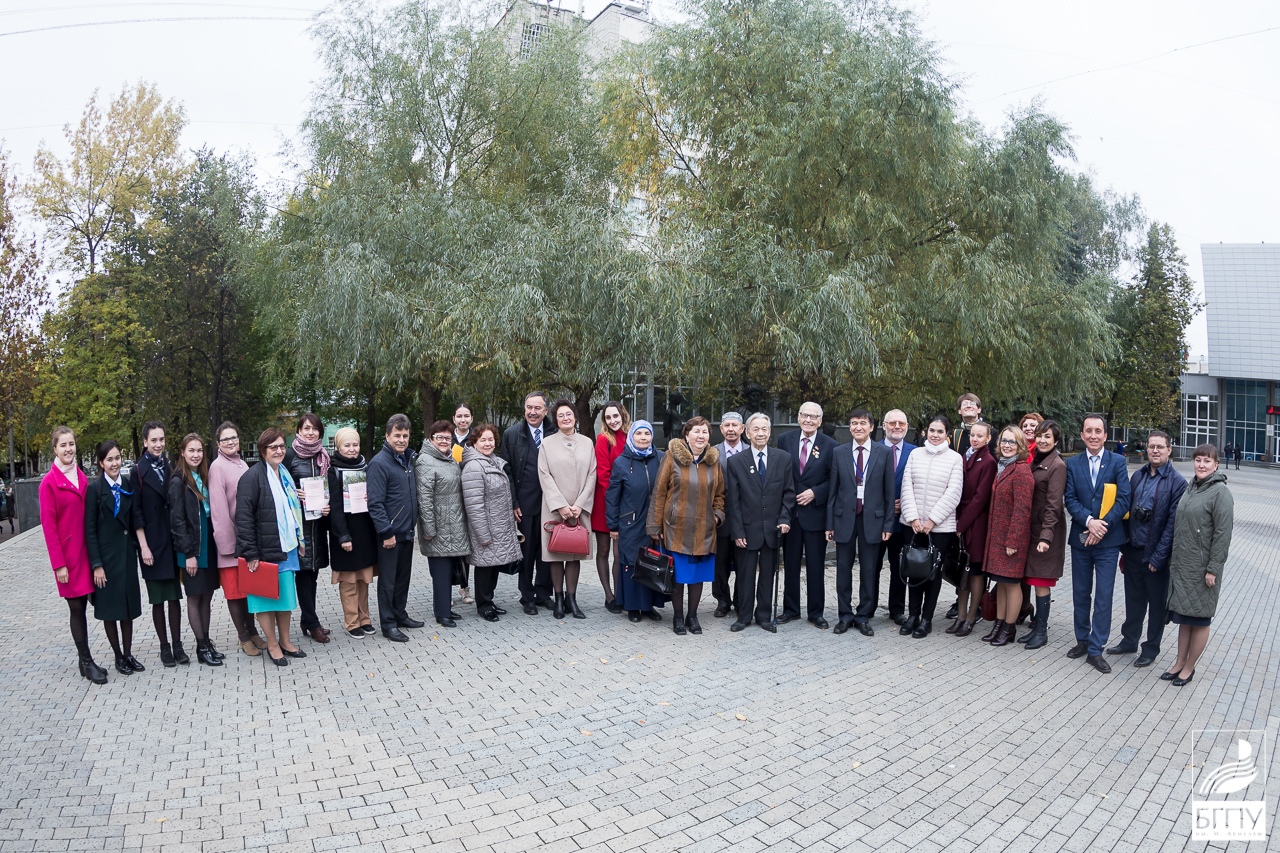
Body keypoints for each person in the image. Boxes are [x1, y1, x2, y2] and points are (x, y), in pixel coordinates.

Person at [1107, 430, 1187, 667]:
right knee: (1133, 600)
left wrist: (1158, 557)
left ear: (1169, 450)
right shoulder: (1138, 476)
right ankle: (1129, 640)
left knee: (1156, 607)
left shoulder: (1177, 483)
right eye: (1151, 446)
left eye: (1160, 447)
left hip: (1156, 556)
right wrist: (1124, 547)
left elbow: (1172, 525)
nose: (1155, 450)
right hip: (1133, 550)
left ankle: (1151, 649)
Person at [1063, 414, 1131, 674]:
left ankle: (1095, 648)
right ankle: (1082, 639)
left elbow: (1124, 499)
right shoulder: (1073, 464)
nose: (1093, 435)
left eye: (1098, 431)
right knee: (1081, 593)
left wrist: (1101, 526)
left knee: (1104, 595)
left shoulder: (1117, 462)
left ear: (1105, 435)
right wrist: (1090, 521)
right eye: (1088, 431)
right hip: (1081, 537)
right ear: (1082, 435)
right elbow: (1070, 499)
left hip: (1108, 541)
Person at [1163, 444, 1234, 686]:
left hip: (1204, 570)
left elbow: (1223, 534)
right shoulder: (1192, 487)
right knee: (1185, 617)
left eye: (1207, 461)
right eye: (1198, 460)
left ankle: (1189, 667)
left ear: (1216, 465)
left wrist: (1213, 568)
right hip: (1184, 566)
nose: (1201, 465)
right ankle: (1178, 663)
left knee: (1200, 618)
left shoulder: (1220, 493)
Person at [647, 416, 725, 636]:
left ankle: (693, 616)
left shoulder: (713, 461)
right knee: (680, 576)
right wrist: (655, 526)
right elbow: (659, 492)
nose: (701, 436)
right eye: (696, 431)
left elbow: (720, 494)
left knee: (697, 576)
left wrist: (717, 516)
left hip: (704, 530)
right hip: (676, 528)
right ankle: (678, 617)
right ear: (687, 434)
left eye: (705, 432)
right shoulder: (671, 457)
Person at [235, 428, 307, 666]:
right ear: (262, 450)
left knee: (285, 598)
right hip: (263, 551)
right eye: (273, 447)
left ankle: (286, 641)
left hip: (286, 547)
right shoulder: (251, 477)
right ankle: (273, 644)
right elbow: (243, 518)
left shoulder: (284, 474)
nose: (278, 450)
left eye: (281, 446)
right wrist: (251, 553)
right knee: (265, 600)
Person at [41, 426, 104, 683]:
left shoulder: (81, 477)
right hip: (68, 558)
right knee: (76, 608)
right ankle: (87, 661)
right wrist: (59, 564)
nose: (68, 449)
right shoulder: (49, 483)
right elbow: (49, 527)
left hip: (87, 553)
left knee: (86, 605)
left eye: (71, 444)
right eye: (63, 445)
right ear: (55, 449)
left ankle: (83, 660)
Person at [826, 409, 895, 637]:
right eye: (854, 423)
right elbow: (833, 491)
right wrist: (829, 524)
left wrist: (888, 524)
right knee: (843, 570)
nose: (858, 427)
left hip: (872, 520)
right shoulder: (839, 452)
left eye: (863, 423)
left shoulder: (884, 453)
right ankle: (844, 616)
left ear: (872, 427)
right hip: (844, 519)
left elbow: (889, 492)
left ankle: (863, 616)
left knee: (869, 570)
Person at [725, 413, 796, 632]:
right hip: (747, 529)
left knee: (767, 575)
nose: (760, 433)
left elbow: (789, 493)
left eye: (764, 429)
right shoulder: (736, 461)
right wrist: (737, 531)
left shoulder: (783, 458)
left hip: (773, 529)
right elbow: (733, 500)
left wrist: (784, 518)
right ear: (747, 432)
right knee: (745, 576)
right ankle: (744, 616)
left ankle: (764, 615)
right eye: (755, 429)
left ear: (770, 432)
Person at [898, 416, 964, 638]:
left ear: (947, 434)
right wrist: (913, 518)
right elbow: (906, 486)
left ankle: (927, 619)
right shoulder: (915, 454)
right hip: (913, 525)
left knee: (932, 573)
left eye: (940, 431)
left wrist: (932, 520)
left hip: (940, 528)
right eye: (932, 430)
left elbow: (953, 492)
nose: (935, 435)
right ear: (926, 432)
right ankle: (912, 616)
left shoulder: (954, 459)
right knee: (914, 569)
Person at [85, 439, 144, 675]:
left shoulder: (127, 484)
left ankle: (128, 654)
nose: (115, 463)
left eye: (117, 458)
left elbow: (134, 517)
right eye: (109, 459)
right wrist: (96, 565)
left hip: (126, 556)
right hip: (107, 560)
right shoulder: (95, 490)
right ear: (101, 463)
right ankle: (118, 656)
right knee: (110, 610)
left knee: (127, 608)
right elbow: (90, 530)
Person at [776, 402, 838, 628]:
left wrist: (815, 492)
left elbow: (834, 479)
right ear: (798, 417)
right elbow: (780, 472)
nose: (809, 420)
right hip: (790, 515)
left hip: (815, 515)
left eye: (814, 417)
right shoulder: (785, 440)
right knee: (790, 565)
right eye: (805, 415)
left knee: (815, 566)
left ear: (820, 421)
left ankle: (816, 612)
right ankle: (790, 609)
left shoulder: (831, 446)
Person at [131, 421, 188, 667]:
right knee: (157, 599)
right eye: (153, 440)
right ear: (145, 442)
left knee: (174, 597)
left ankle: (177, 645)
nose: (158, 444)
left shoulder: (169, 465)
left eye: (161, 439)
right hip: (151, 544)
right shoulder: (137, 471)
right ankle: (164, 647)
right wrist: (143, 546)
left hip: (171, 540)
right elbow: (135, 512)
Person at [209, 421, 266, 656]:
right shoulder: (217, 467)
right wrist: (227, 545)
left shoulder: (243, 464)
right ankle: (243, 637)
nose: (231, 442)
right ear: (218, 444)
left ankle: (252, 631)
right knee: (234, 593)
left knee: (248, 591)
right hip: (231, 544)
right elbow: (219, 511)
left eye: (234, 437)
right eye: (226, 439)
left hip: (246, 541)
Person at [538, 400, 597, 619]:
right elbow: (544, 475)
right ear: (556, 420)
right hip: (554, 508)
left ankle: (572, 599)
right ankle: (559, 599)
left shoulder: (587, 443)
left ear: (575, 417)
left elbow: (592, 474)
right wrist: (561, 505)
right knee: (555, 555)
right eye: (560, 415)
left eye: (569, 414)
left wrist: (579, 505)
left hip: (579, 509)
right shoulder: (547, 443)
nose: (565, 418)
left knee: (574, 555)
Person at [604, 420, 668, 623]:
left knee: (652, 562)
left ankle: (648, 607)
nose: (643, 437)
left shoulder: (661, 458)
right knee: (632, 563)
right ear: (631, 436)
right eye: (638, 434)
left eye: (647, 434)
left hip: (655, 521)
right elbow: (612, 496)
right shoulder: (621, 462)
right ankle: (632, 607)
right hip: (630, 522)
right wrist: (613, 525)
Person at [168, 433, 223, 667]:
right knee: (194, 597)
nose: (196, 454)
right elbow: (177, 521)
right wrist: (189, 554)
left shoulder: (204, 476)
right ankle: (201, 647)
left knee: (207, 595)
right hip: (191, 548)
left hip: (208, 544)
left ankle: (207, 642)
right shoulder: (178, 481)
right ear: (182, 452)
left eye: (199, 450)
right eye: (191, 450)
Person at [460, 423, 523, 622]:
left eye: (491, 439)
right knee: (485, 568)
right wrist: (483, 534)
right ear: (474, 443)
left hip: (499, 526)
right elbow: (474, 505)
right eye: (483, 440)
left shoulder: (493, 461)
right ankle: (484, 605)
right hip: (486, 528)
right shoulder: (473, 467)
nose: (487, 443)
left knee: (493, 565)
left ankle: (489, 600)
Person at [367, 414, 420, 642]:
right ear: (387, 435)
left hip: (407, 530)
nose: (401, 440)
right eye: (397, 435)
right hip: (390, 534)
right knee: (388, 582)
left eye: (405, 435)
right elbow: (375, 503)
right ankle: (388, 624)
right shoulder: (379, 463)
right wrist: (386, 532)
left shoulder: (408, 460)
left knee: (402, 579)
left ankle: (400, 614)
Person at [980, 427, 1035, 645]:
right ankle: (999, 624)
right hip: (997, 539)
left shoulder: (1021, 472)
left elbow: (1022, 510)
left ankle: (1009, 629)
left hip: (1012, 541)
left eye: (1012, 442)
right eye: (1004, 440)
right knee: (1001, 583)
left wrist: (1013, 541)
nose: (1007, 445)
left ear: (1020, 446)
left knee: (1012, 584)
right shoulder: (1003, 467)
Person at [501, 392, 555, 614]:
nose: (532, 412)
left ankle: (544, 593)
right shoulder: (511, 434)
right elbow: (507, 472)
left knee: (547, 551)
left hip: (551, 504)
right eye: (529, 407)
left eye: (537, 408)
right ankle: (527, 596)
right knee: (527, 551)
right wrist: (513, 502)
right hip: (524, 504)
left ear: (545, 411)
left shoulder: (554, 432)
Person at [416, 420, 471, 628]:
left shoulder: (449, 459)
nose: (444, 441)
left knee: (448, 572)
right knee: (440, 572)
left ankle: (445, 609)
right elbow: (424, 499)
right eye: (439, 437)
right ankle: (442, 614)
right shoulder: (425, 461)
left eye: (447, 438)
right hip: (438, 528)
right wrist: (429, 529)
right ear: (431, 439)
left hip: (453, 525)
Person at [327, 427, 379, 638]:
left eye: (355, 444)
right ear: (338, 447)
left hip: (365, 533)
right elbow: (335, 507)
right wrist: (343, 536)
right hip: (345, 534)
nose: (352, 449)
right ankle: (352, 622)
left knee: (363, 580)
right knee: (349, 581)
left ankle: (365, 619)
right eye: (347, 445)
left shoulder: (366, 467)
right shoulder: (333, 471)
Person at [1020, 420, 1068, 649]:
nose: (1042, 440)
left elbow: (1053, 505)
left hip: (1046, 532)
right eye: (1039, 435)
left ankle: (1041, 631)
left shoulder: (1057, 465)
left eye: (1047, 436)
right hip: (1033, 529)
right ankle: (1037, 627)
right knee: (1034, 577)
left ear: (1056, 441)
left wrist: (1046, 537)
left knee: (1041, 580)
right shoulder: (1037, 461)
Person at [284, 413, 332, 643]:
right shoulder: (289, 455)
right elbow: (279, 485)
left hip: (318, 524)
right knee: (303, 573)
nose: (310, 432)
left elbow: (330, 487)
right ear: (298, 431)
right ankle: (313, 623)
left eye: (314, 429)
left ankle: (307, 619)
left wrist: (328, 503)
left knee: (313, 573)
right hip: (299, 526)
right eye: (306, 428)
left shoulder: (323, 456)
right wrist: (294, 492)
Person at [951, 422, 995, 637]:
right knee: (963, 571)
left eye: (980, 436)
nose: (975, 439)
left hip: (976, 523)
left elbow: (979, 499)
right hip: (962, 516)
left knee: (975, 571)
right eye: (973, 435)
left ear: (988, 439)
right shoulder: (965, 456)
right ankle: (960, 616)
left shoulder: (988, 461)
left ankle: (970, 617)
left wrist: (961, 525)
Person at [592, 401, 631, 613]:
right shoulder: (603, 439)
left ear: (622, 415)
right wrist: (616, 501)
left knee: (619, 553)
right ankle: (609, 596)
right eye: (608, 417)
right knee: (604, 550)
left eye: (615, 416)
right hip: (605, 502)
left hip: (626, 504)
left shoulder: (631, 436)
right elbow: (603, 475)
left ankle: (621, 594)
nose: (612, 420)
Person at [879, 409, 916, 625]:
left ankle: (897, 610)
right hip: (876, 520)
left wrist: (906, 503)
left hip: (903, 521)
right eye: (892, 422)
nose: (897, 426)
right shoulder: (872, 449)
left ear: (907, 426)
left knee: (899, 567)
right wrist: (884, 505)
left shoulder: (916, 452)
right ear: (884, 425)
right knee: (872, 567)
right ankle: (868, 607)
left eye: (901, 423)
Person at [711, 411, 747, 617]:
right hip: (721, 517)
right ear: (721, 429)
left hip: (745, 517)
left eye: (735, 425)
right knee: (720, 563)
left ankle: (741, 601)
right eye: (727, 425)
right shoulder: (712, 453)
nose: (731, 429)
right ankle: (722, 601)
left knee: (743, 562)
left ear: (742, 429)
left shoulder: (751, 451)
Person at [450, 403, 474, 604]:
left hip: (469, 495)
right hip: (448, 497)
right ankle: (446, 589)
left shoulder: (476, 439)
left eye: (466, 416)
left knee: (466, 547)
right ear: (454, 419)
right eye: (459, 416)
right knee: (449, 547)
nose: (463, 419)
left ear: (471, 419)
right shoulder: (445, 438)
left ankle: (464, 587)